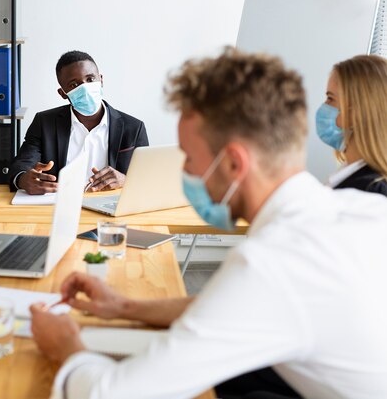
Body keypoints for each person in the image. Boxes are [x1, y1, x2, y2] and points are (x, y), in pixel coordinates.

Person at [29, 48, 387, 399]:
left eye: (189, 157)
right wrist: (125, 307)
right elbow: (231, 306)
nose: (185, 173)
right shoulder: (361, 207)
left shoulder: (273, 263)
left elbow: (107, 393)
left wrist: (66, 346)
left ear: (233, 164)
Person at [10, 50, 149, 194]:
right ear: (63, 93)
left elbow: (148, 178)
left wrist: (125, 180)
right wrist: (23, 180)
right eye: (74, 84)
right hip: (59, 204)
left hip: (111, 205)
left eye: (90, 79)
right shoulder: (44, 123)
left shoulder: (134, 128)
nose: (85, 88)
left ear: (101, 80)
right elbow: (22, 164)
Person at [316, 54, 387, 196]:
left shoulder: (371, 192)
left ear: (358, 113)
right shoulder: (350, 176)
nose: (324, 106)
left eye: (330, 98)